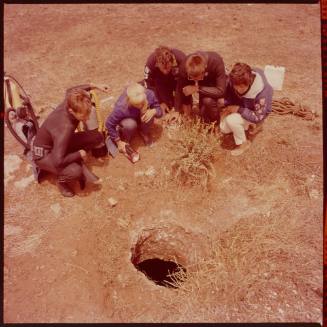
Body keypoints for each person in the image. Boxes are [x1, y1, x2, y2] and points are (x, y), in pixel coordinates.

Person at [32, 83, 110, 197]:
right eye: (83, 116)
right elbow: (57, 161)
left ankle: (69, 156)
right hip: (44, 155)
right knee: (75, 172)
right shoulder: (65, 128)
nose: (87, 118)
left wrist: (95, 86)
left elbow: (72, 90)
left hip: (57, 144)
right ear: (72, 111)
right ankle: (61, 181)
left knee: (97, 137)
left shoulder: (71, 100)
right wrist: (79, 154)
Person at [220, 62, 273, 156]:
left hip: (254, 113)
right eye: (236, 87)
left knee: (231, 121)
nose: (238, 90)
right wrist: (226, 105)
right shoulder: (235, 79)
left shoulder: (263, 91)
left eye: (241, 87)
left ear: (248, 82)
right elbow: (231, 96)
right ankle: (246, 126)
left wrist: (238, 109)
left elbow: (258, 116)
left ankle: (243, 144)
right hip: (243, 108)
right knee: (223, 128)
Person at [105, 82, 162, 155]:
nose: (140, 106)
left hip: (141, 117)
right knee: (130, 125)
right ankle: (126, 137)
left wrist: (154, 111)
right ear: (129, 100)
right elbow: (109, 124)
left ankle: (144, 132)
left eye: (142, 102)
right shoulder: (121, 107)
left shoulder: (150, 94)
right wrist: (118, 141)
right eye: (136, 104)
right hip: (128, 119)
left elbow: (159, 112)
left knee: (149, 115)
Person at [177, 51, 227, 122]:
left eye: (197, 78)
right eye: (191, 78)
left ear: (204, 69)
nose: (194, 81)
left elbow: (221, 91)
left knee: (208, 101)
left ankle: (216, 123)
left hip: (213, 83)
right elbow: (180, 89)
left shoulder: (216, 61)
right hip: (204, 81)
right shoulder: (183, 67)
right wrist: (179, 110)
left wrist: (197, 88)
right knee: (203, 115)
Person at [143, 46, 186, 114]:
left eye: (168, 67)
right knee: (166, 108)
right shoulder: (151, 63)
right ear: (157, 64)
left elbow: (185, 83)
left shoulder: (181, 59)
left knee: (182, 107)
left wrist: (178, 108)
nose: (165, 71)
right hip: (160, 80)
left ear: (172, 62)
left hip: (177, 79)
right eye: (163, 68)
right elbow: (149, 85)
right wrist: (160, 102)